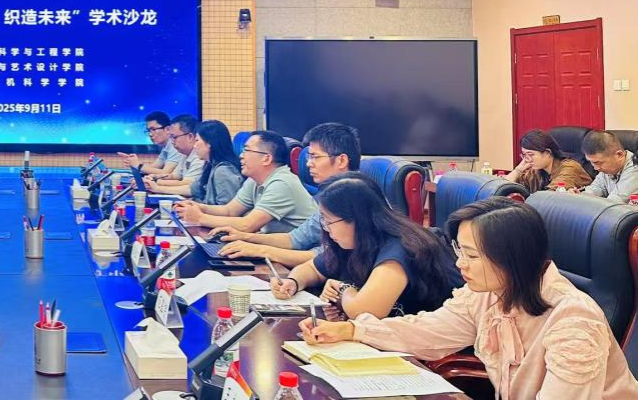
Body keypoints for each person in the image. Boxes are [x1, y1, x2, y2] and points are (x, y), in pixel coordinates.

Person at [300, 197, 638, 399]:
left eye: (472, 256)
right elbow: (430, 331)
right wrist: (354, 330)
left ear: (512, 257)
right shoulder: (490, 293)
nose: (460, 264)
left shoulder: (574, 323)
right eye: (459, 251)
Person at [271, 174, 461, 317]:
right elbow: (312, 268)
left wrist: (344, 290)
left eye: (328, 221)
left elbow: (364, 312)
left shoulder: (401, 248)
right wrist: (293, 282)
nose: (326, 229)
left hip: (439, 350)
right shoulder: (355, 241)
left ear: (357, 220)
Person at [219, 122, 361, 266]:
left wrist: (260, 250)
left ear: (341, 160)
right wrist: (246, 237)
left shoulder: (358, 198)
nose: (308, 163)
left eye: (315, 157)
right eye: (309, 157)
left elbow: (325, 257)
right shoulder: (329, 195)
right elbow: (294, 239)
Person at [174, 130, 316, 233]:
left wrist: (199, 217)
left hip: (297, 253)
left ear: (266, 158)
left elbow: (247, 225)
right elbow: (230, 211)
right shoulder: (255, 179)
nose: (241, 156)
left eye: (246, 151)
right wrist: (199, 208)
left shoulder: (282, 183)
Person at [505, 129, 592, 194]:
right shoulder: (535, 171)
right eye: (524, 155)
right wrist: (518, 169)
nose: (527, 159)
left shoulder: (570, 168)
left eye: (531, 154)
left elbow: (549, 196)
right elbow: (504, 188)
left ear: (547, 153)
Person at [182, 120, 242, 206]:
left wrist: (197, 208)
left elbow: (226, 208)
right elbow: (194, 189)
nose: (194, 146)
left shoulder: (223, 171)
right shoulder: (210, 165)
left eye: (197, 141)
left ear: (209, 143)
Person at [144, 114, 204, 194]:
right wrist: (155, 177)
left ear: (190, 137)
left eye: (174, 137)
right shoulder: (185, 154)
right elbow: (175, 176)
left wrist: (156, 183)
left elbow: (188, 184)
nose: (172, 141)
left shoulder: (199, 157)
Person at [118, 111, 185, 177]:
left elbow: (165, 173)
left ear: (167, 129)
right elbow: (154, 167)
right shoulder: (166, 146)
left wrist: (138, 165)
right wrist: (133, 162)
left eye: (154, 129)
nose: (150, 134)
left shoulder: (175, 146)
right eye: (149, 130)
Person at [580, 130, 638, 202]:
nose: (596, 168)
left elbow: (612, 203)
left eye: (598, 162)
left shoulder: (635, 168)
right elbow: (595, 189)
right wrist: (577, 196)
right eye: (591, 162)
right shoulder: (609, 169)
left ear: (619, 155)